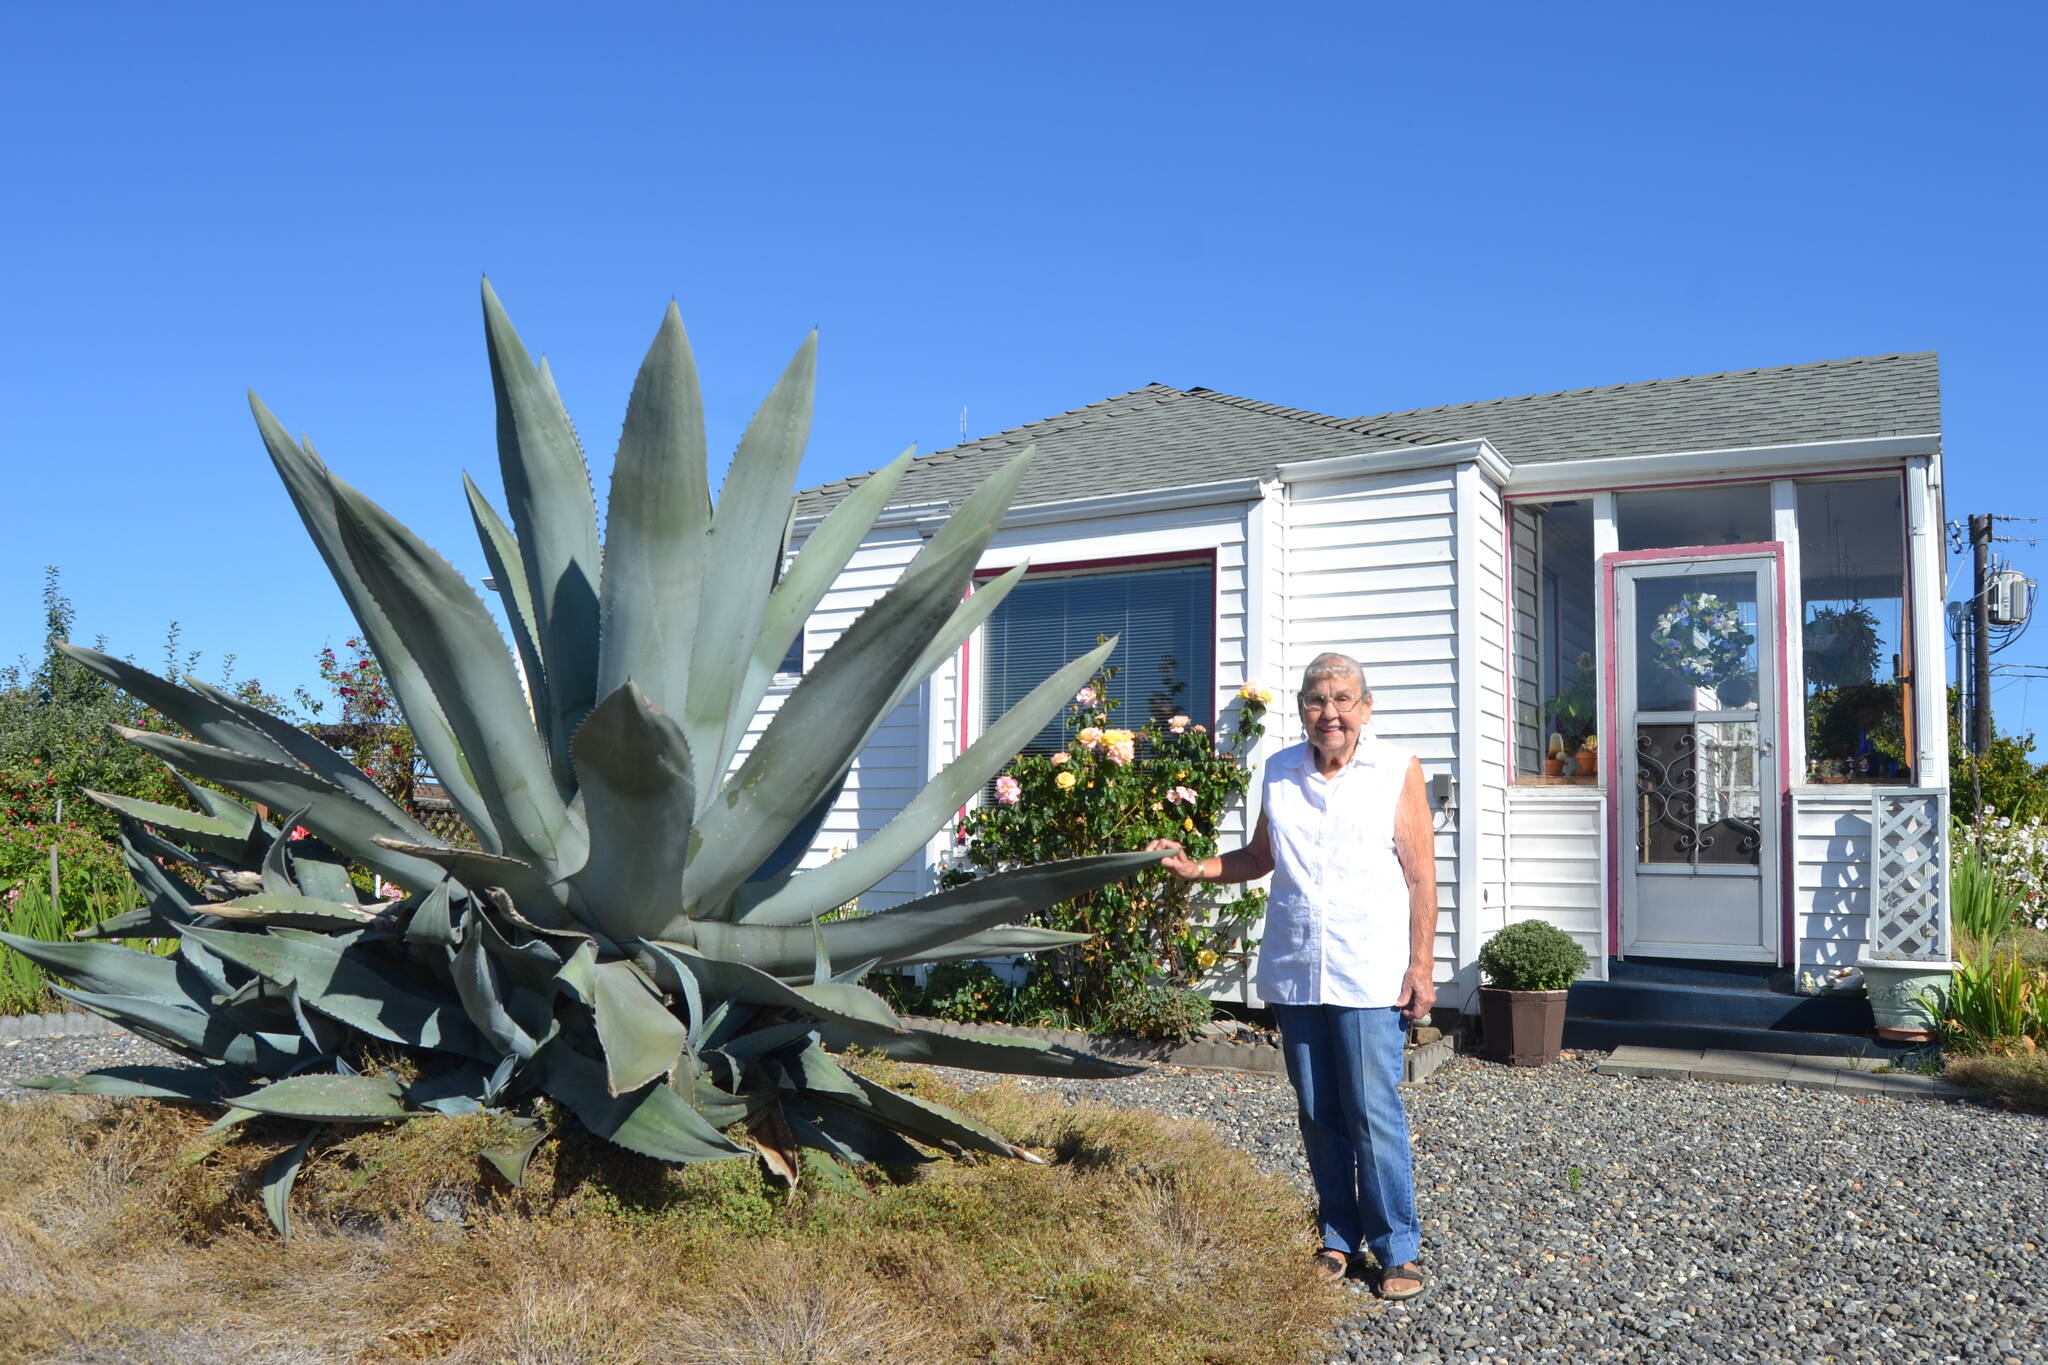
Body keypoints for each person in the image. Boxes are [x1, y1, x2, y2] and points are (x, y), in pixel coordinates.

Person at [1147, 652, 1436, 1299]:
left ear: (1364, 706)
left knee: (1372, 1110)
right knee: (1317, 1110)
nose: (1328, 711)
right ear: (1302, 707)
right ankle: (1338, 1234)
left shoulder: (1397, 770)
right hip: (1298, 970)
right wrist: (1194, 868)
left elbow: (1420, 875)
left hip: (1369, 973)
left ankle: (1397, 1247)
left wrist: (1421, 964)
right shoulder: (1278, 771)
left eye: (1342, 698)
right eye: (1315, 699)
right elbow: (1258, 856)